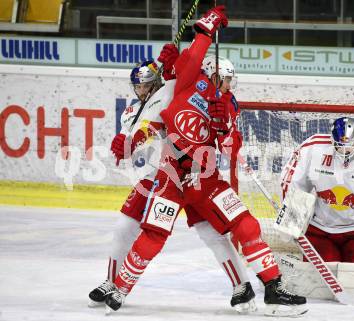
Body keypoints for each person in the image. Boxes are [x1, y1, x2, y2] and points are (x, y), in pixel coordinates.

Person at [105, 5, 307, 317]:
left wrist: (222, 123)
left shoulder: (229, 103)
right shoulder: (188, 82)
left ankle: (272, 286)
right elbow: (156, 116)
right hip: (171, 176)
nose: (230, 87)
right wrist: (205, 29)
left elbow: (229, 149)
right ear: (216, 74)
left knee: (247, 225)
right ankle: (118, 288)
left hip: (206, 178)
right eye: (227, 81)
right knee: (154, 234)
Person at [88, 54, 257, 313]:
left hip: (190, 176)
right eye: (138, 87)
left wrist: (171, 62)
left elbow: (187, 75)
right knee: (124, 228)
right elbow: (128, 147)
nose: (142, 91)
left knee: (212, 234)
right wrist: (123, 145)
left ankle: (242, 286)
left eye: (146, 85)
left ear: (157, 83)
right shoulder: (132, 111)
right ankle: (112, 283)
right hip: (154, 179)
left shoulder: (171, 91)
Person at [280, 117, 354, 263]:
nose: (344, 151)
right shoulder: (313, 149)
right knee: (322, 272)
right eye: (339, 145)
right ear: (332, 140)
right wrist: (292, 221)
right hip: (320, 229)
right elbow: (293, 183)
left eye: (349, 145)